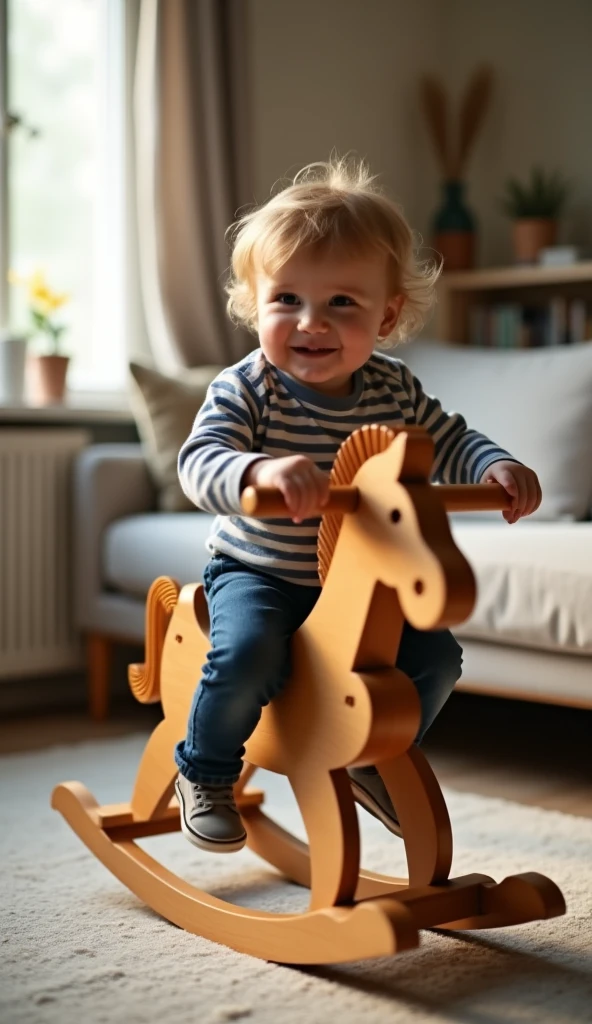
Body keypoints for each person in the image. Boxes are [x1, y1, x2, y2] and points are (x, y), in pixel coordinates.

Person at [173, 156, 542, 853]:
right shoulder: (246, 388)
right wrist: (260, 470)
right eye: (286, 300)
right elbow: (200, 462)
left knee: (435, 660)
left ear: (388, 314)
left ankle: (373, 757)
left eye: (342, 302)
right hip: (261, 573)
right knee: (248, 651)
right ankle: (207, 770)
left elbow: (449, 438)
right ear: (257, 303)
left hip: (354, 579)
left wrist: (495, 465)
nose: (311, 322)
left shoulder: (394, 388)